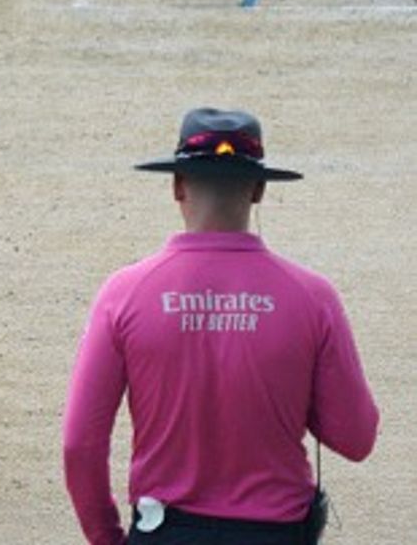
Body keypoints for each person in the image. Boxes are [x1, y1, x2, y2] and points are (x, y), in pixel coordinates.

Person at [62, 108, 379, 544]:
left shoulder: (124, 293)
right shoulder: (312, 297)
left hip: (165, 531)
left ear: (176, 186)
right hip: (278, 533)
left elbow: (80, 444)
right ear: (260, 191)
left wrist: (106, 537)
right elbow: (356, 438)